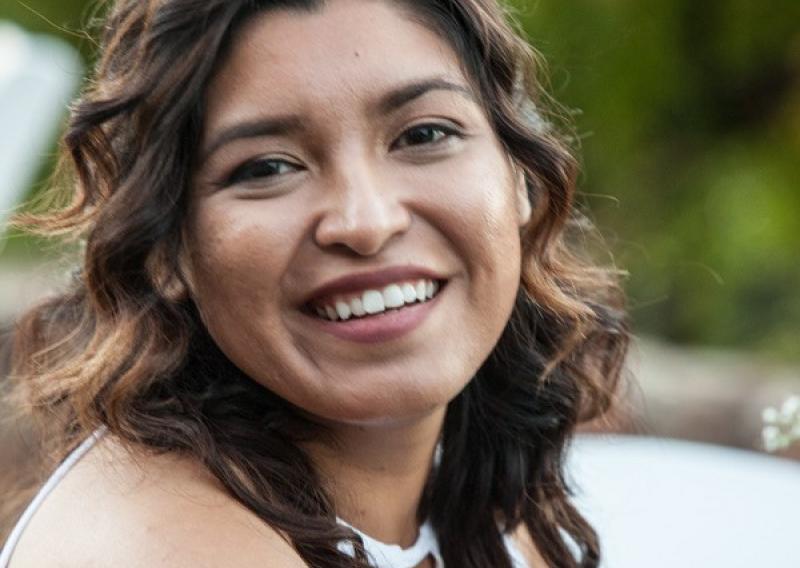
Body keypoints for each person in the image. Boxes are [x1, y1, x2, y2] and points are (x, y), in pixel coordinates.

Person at [0, 0, 628, 566]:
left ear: (519, 175)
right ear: (166, 247)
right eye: (268, 167)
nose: (367, 221)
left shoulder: (482, 503)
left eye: (424, 134)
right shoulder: (171, 548)